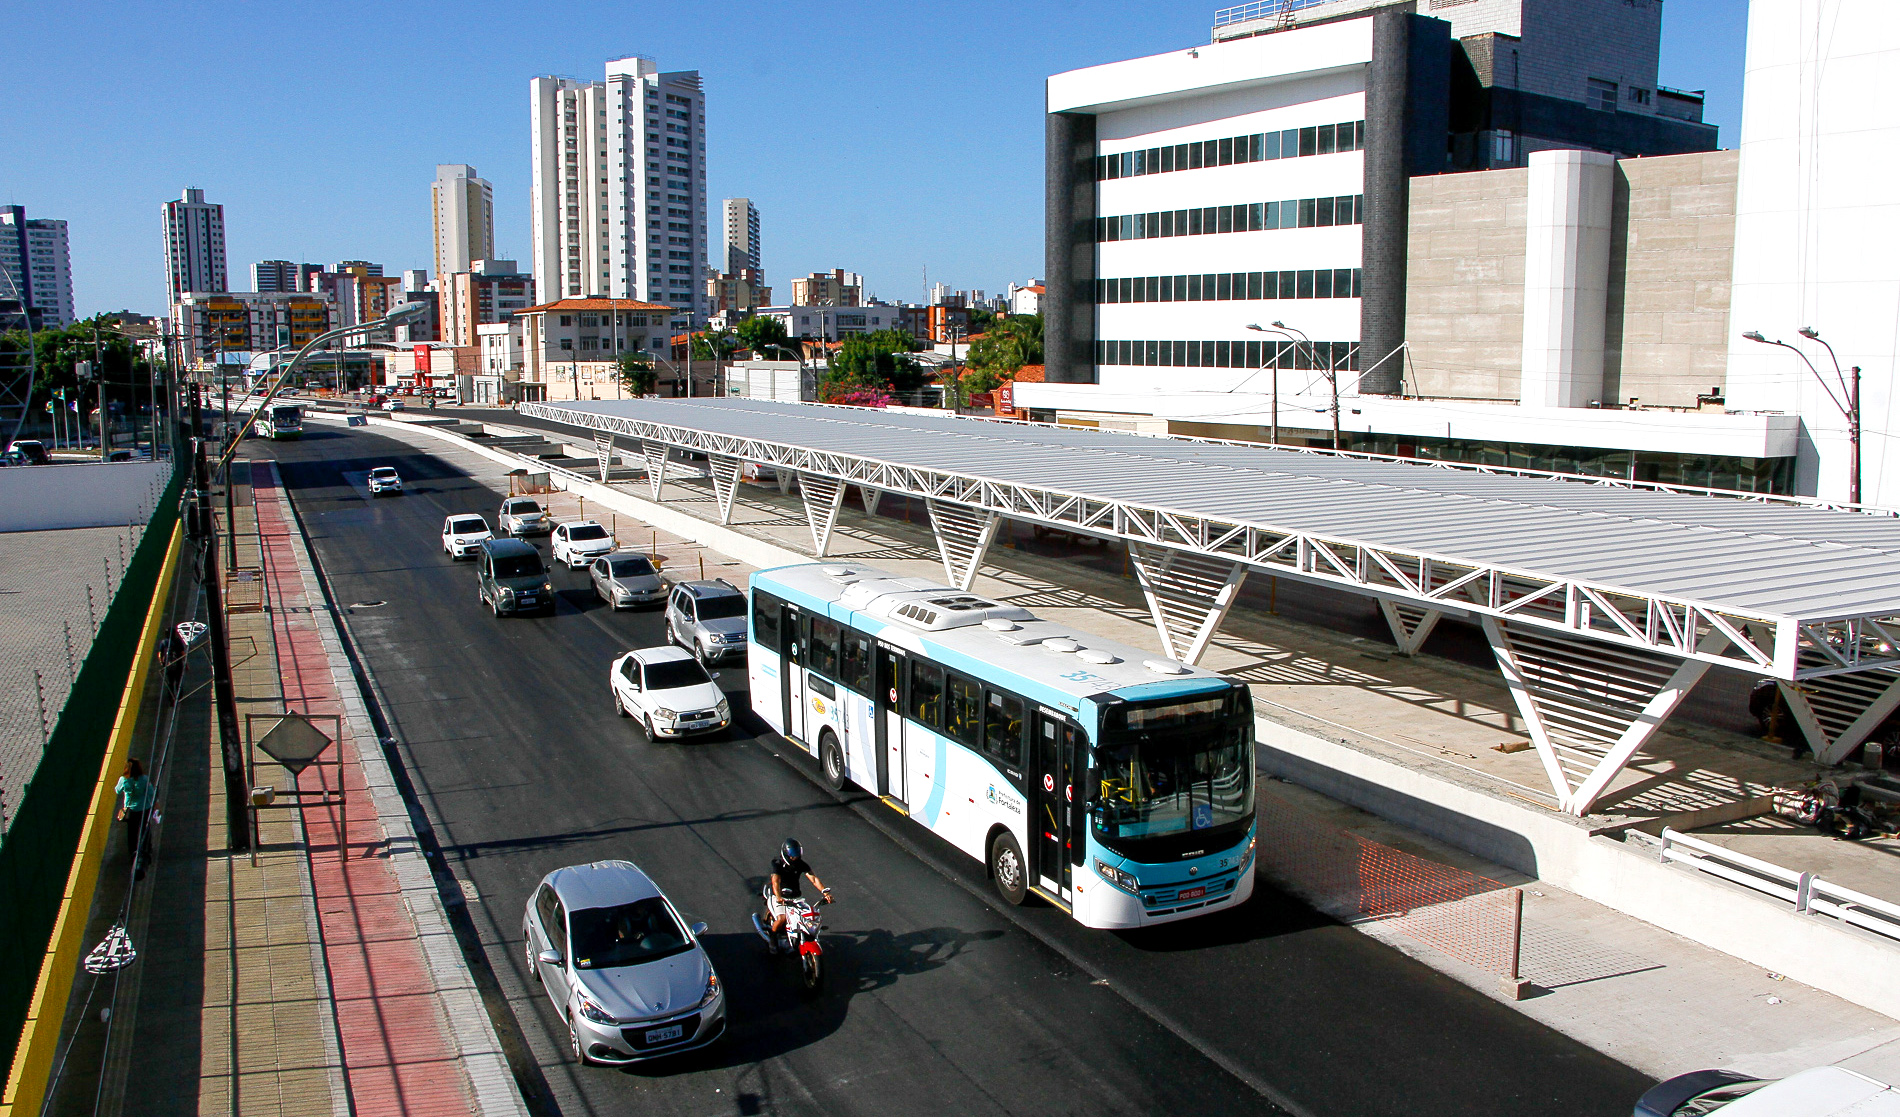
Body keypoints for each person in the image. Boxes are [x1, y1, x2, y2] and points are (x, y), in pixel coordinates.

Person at [765, 838, 831, 950]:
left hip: (795, 897)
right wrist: (779, 897)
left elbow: (813, 879)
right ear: (785, 853)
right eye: (792, 855)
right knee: (781, 919)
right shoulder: (778, 864)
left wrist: (825, 892)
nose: (794, 858)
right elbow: (775, 882)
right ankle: (772, 940)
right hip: (778, 896)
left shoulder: (801, 864)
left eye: (796, 855)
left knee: (807, 917)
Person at [114, 758, 153, 881]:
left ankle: (133, 854)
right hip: (144, 808)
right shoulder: (144, 779)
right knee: (145, 830)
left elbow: (117, 790)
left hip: (131, 811)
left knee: (132, 833)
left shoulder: (124, 780)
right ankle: (146, 851)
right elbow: (151, 793)